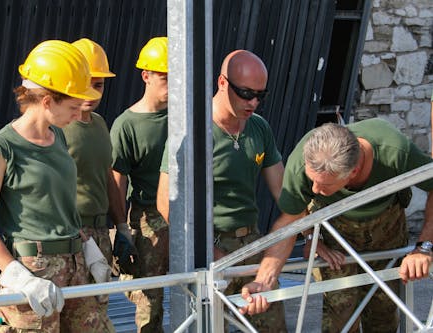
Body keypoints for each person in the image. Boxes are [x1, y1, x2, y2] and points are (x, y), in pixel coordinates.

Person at [241, 119, 433, 332]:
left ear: (353, 172)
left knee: (383, 313)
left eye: (324, 185)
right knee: (341, 316)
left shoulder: (395, 150)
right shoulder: (302, 161)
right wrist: (265, 281)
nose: (314, 189)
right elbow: (289, 221)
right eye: (311, 180)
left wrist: (424, 247)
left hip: (386, 230)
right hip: (334, 237)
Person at [0, 40, 110, 332]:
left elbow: (62, 208)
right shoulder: (1, 148)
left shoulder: (57, 137)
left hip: (75, 266)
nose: (78, 114)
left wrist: (88, 249)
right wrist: (19, 277)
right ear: (47, 101)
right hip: (34, 274)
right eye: (72, 106)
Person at [157, 49, 287, 332]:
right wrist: (208, 251)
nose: (253, 102)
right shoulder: (192, 132)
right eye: (246, 93)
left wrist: (314, 233)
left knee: (272, 326)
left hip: (252, 243)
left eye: (260, 96)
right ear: (223, 83)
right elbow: (166, 204)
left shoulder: (259, 128)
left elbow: (284, 193)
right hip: (210, 248)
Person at [62, 37, 124, 333]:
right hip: (72, 237)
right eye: (84, 82)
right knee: (79, 319)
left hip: (100, 234)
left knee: (97, 312)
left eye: (97, 85)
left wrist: (121, 227)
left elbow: (108, 176)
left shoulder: (100, 123)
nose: (90, 91)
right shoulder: (57, 128)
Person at [110, 36, 169, 333]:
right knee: (150, 299)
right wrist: (121, 231)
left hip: (190, 212)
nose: (172, 83)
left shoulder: (187, 116)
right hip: (148, 218)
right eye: (164, 76)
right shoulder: (127, 125)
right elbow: (116, 182)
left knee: (203, 287)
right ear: (146, 75)